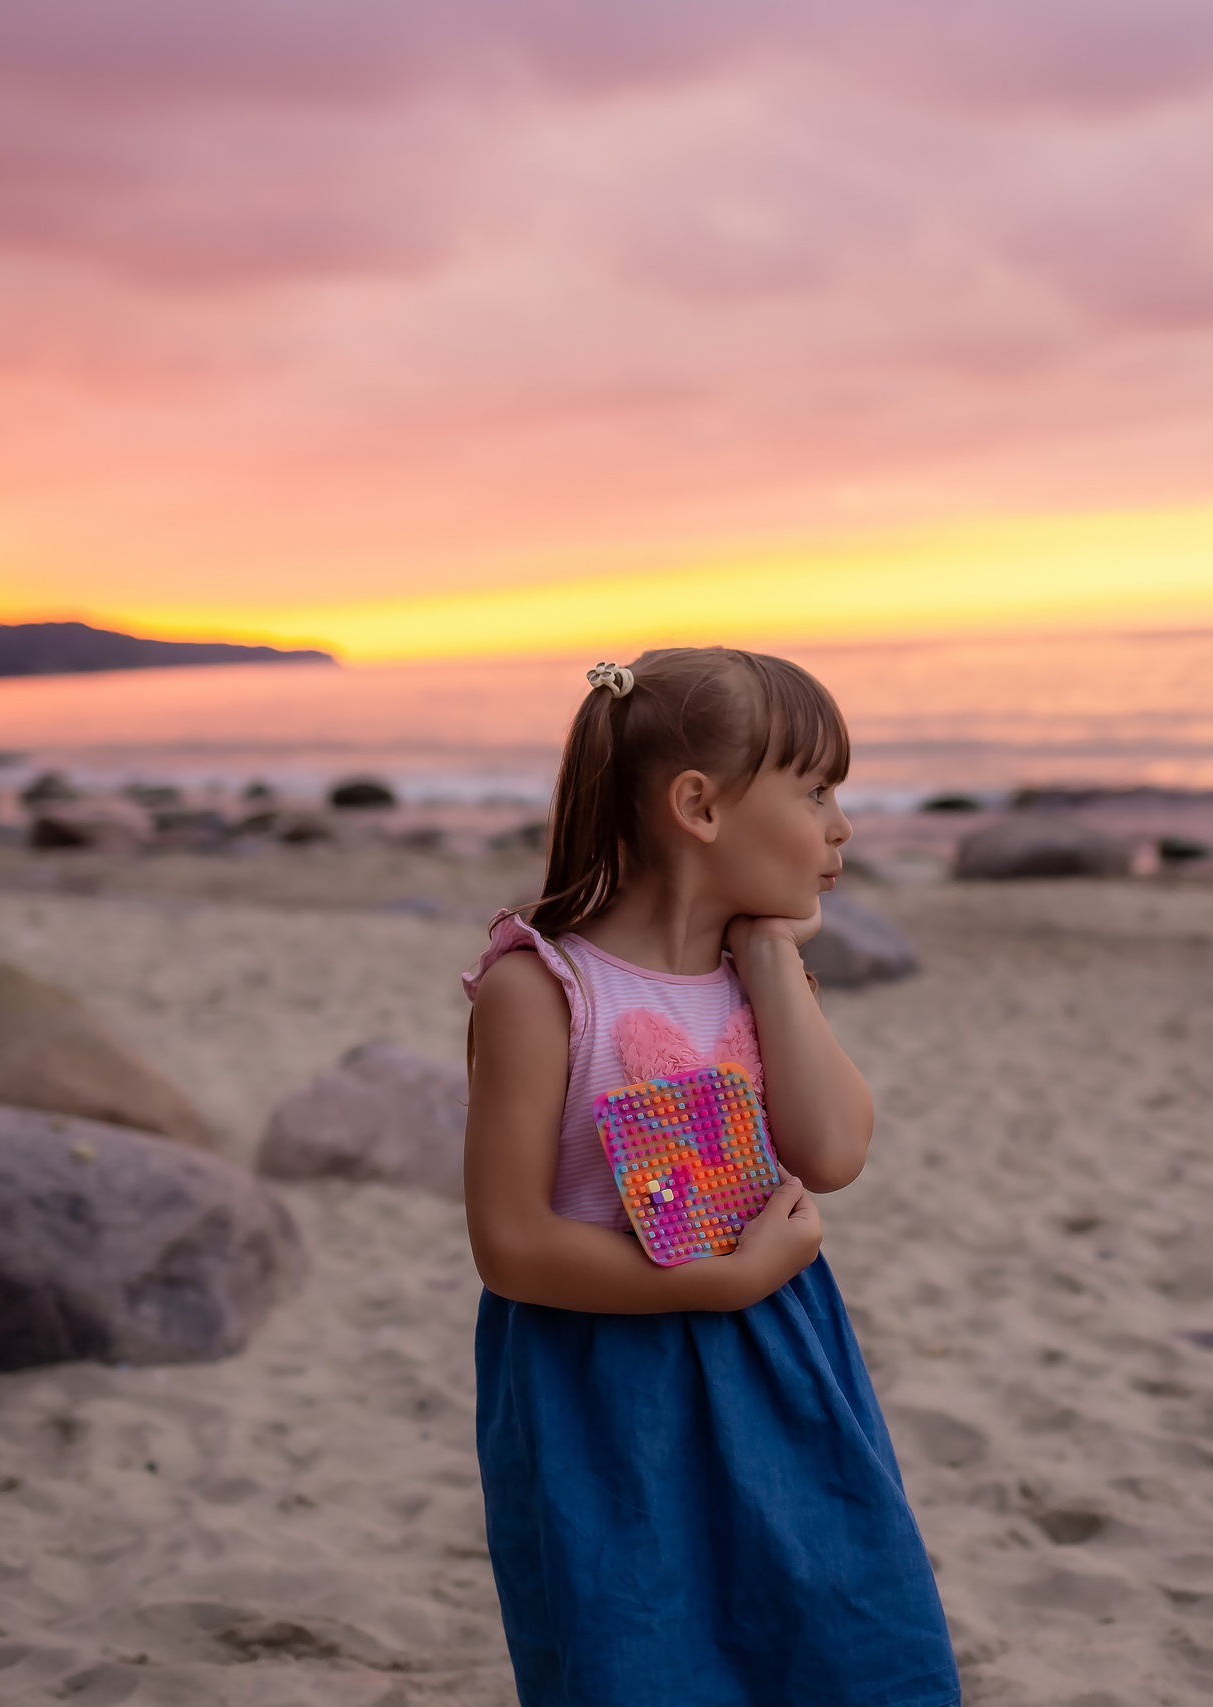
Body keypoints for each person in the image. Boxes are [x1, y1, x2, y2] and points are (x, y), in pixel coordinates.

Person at [462, 646, 961, 1707]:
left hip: (778, 1362)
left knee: (845, 1637)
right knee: (644, 1650)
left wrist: (773, 956)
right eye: (815, 791)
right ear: (699, 806)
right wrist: (723, 1280)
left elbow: (832, 1151)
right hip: (605, 1387)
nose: (842, 827)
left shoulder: (756, 980)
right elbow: (510, 1245)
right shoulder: (545, 991)